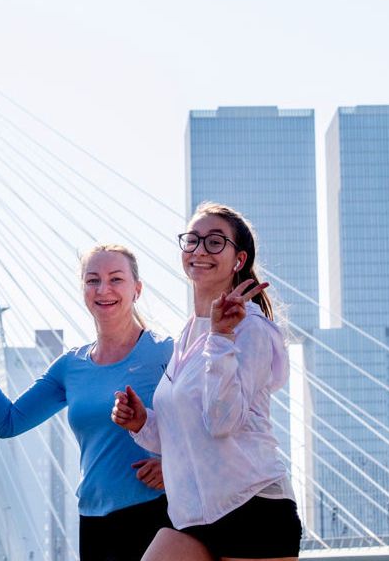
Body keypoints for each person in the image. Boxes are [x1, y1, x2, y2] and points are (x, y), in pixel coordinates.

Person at [0, 244, 174, 561]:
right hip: (93, 523)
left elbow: (206, 429)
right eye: (92, 280)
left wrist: (174, 466)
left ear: (137, 289)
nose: (103, 289)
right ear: (83, 290)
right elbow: (8, 422)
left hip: (155, 514)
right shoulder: (70, 367)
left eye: (116, 279)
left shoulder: (166, 353)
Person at [112, 202, 302, 560]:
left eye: (215, 242)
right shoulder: (187, 334)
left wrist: (221, 337)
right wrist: (142, 422)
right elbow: (185, 433)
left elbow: (221, 422)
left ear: (239, 260)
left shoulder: (252, 329)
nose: (200, 250)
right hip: (195, 514)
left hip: (252, 508)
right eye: (192, 240)